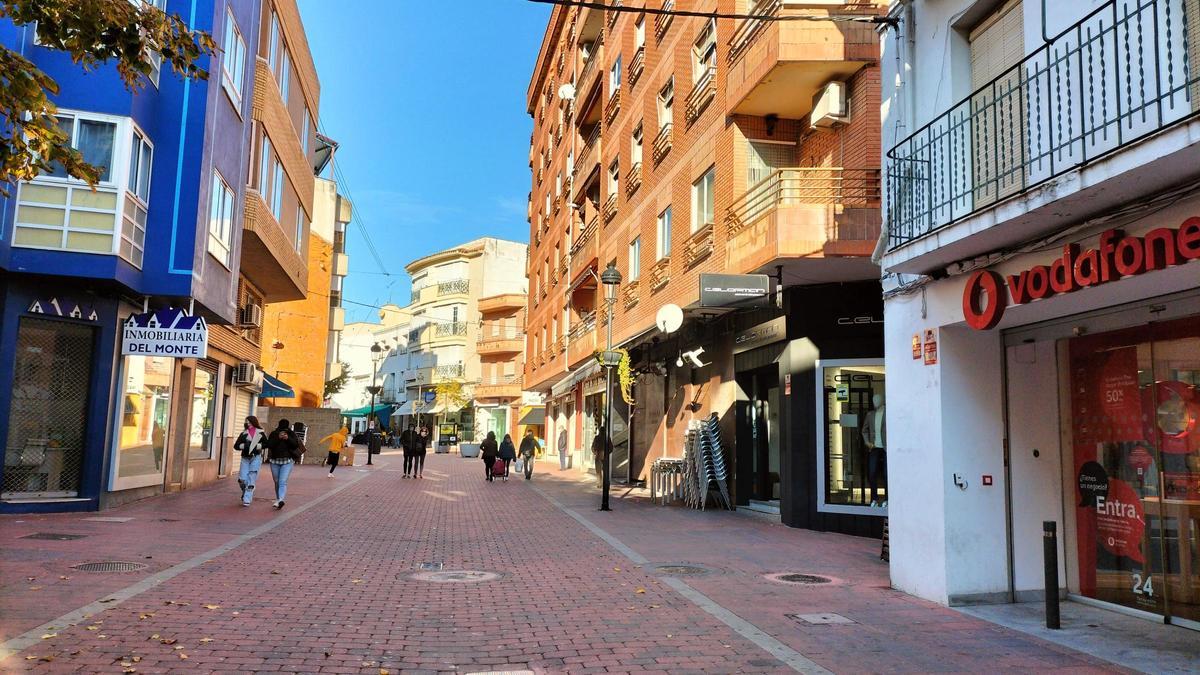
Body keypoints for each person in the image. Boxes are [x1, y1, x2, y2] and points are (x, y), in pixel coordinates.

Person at [266, 419, 301, 509]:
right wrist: (278, 438)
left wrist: (287, 438)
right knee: (277, 481)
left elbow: (295, 445)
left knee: (282, 481)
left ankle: (281, 499)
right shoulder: (274, 433)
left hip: (287, 461)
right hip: (274, 461)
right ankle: (278, 499)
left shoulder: (291, 433)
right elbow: (269, 445)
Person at [234, 416, 266, 506]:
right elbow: (236, 446)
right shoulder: (243, 433)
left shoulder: (261, 433)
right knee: (242, 479)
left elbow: (267, 444)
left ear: (254, 422)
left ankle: (247, 499)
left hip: (255, 457)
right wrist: (243, 446)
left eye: (249, 422)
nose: (247, 423)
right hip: (245, 458)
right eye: (246, 422)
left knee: (251, 479)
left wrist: (257, 446)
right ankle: (245, 492)